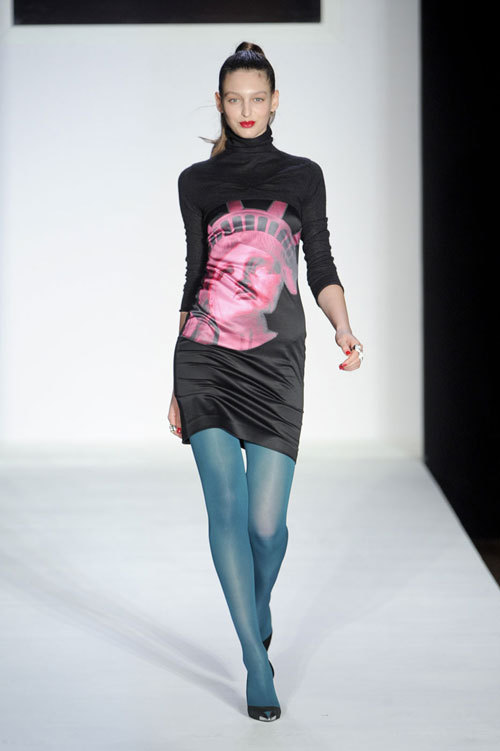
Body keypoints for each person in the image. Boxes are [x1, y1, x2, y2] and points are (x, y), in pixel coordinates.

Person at [168, 42, 364, 722]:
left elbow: (322, 265)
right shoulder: (196, 182)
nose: (246, 109)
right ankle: (256, 658)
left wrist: (344, 326)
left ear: (275, 102)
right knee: (226, 508)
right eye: (234, 99)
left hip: (278, 363)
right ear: (220, 104)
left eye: (257, 98)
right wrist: (174, 380)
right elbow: (194, 275)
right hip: (206, 358)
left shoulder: (304, 176)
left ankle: (258, 606)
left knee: (267, 526)